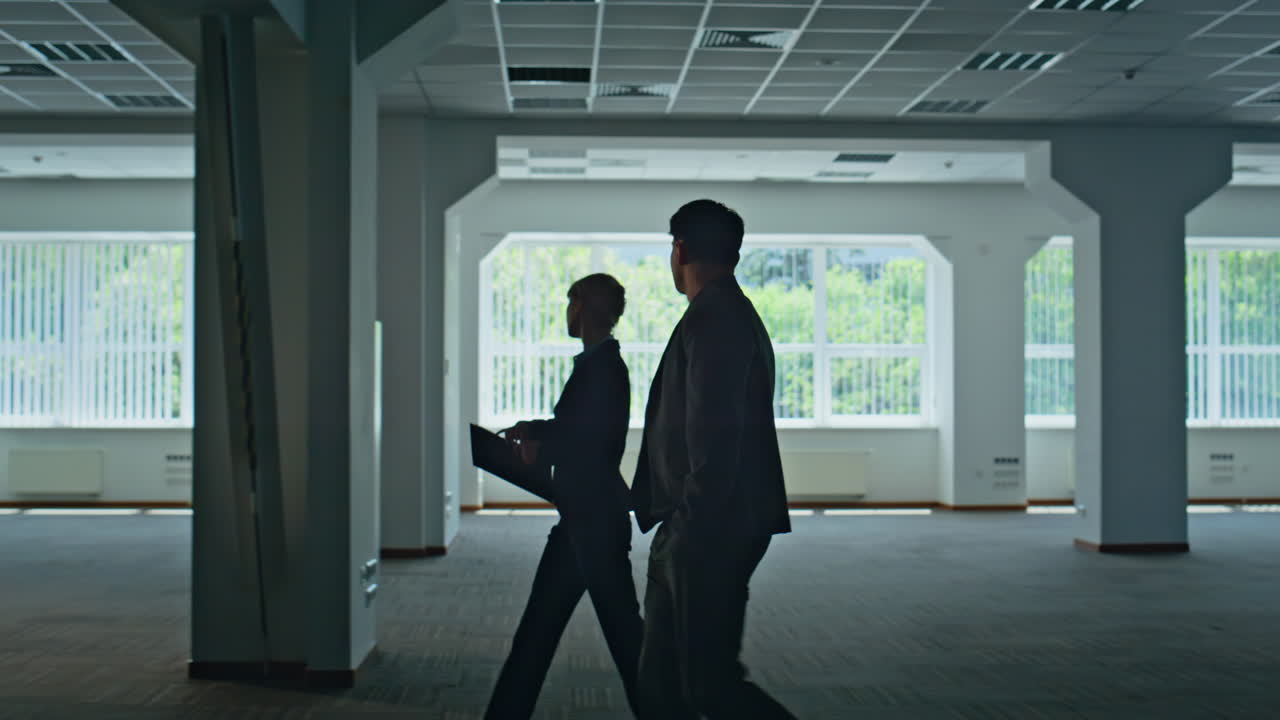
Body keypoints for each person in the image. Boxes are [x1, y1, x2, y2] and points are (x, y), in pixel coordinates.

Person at [631, 199, 795, 719]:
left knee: (710, 686)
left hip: (709, 528)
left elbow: (714, 434)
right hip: (699, 523)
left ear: (679, 251)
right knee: (662, 685)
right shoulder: (721, 313)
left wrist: (692, 522)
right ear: (734, 255)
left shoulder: (716, 318)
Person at [485, 273, 644, 719]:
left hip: (593, 523)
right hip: (585, 520)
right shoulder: (598, 365)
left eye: (570, 301)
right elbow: (580, 429)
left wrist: (543, 445)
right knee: (542, 637)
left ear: (583, 307)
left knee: (621, 641)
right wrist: (536, 432)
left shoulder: (603, 368)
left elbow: (592, 442)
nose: (566, 311)